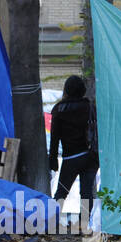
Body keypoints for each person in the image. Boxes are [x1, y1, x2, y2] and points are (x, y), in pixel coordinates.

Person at [50, 75, 97, 231]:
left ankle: (50, 223)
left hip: (71, 158)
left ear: (66, 89)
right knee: (86, 192)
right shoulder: (90, 107)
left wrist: (53, 160)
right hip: (91, 156)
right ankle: (84, 225)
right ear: (83, 90)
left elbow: (55, 138)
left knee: (62, 191)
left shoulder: (59, 109)